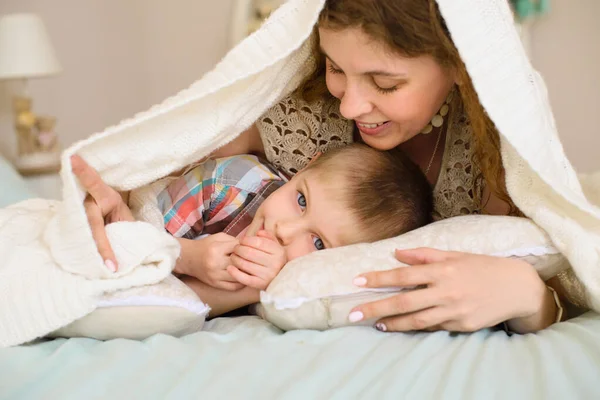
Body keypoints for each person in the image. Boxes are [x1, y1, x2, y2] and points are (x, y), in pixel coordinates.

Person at [74, 0, 573, 334]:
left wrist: (527, 295)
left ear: (460, 65)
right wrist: (111, 198)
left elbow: (553, 276)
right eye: (336, 67)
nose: (352, 106)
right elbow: (166, 167)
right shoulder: (302, 115)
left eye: (385, 83)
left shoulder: (492, 157)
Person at [73, 143, 433, 317]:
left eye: (319, 241)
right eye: (302, 200)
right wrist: (189, 257)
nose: (284, 230)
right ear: (307, 166)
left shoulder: (299, 280)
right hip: (157, 217)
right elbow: (136, 249)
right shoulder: (229, 183)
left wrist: (251, 288)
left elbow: (174, 308)